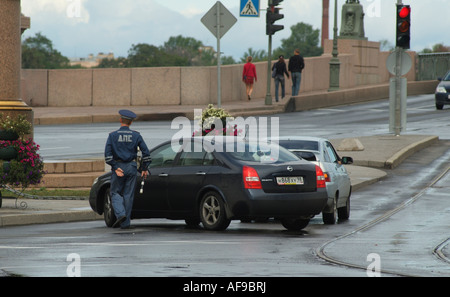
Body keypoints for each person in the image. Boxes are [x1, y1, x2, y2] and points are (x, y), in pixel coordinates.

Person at [104, 110, 151, 229]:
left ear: (120, 120)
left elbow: (108, 156)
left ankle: (121, 214)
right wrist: (144, 168)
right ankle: (125, 224)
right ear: (131, 123)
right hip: (132, 167)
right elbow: (146, 153)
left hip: (119, 167)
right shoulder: (136, 135)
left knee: (115, 193)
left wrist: (115, 167)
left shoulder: (112, 135)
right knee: (128, 195)